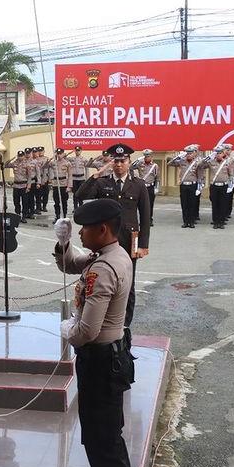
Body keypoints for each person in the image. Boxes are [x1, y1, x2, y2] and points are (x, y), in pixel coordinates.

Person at [52, 199, 136, 467]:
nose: (82, 233)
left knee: (104, 448)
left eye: (85, 228)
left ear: (102, 229)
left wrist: (67, 331)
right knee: (108, 442)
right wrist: (64, 242)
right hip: (111, 358)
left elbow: (87, 331)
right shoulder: (113, 254)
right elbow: (72, 263)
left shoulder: (103, 268)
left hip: (101, 362)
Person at [76, 143, 150, 334]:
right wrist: (97, 174)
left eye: (122, 161)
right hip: (106, 240)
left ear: (129, 162)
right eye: (115, 161)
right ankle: (101, 319)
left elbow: (145, 215)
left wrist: (143, 245)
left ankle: (125, 324)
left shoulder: (139, 185)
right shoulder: (102, 183)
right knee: (102, 280)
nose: (118, 165)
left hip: (128, 239)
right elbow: (81, 195)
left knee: (128, 282)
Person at [198, 147, 234, 229]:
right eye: (217, 153)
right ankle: (215, 221)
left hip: (224, 186)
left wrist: (231, 185)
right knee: (214, 204)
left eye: (220, 153)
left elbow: (231, 174)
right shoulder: (211, 162)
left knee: (223, 204)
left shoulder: (227, 162)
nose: (218, 155)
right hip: (214, 186)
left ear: (223, 154)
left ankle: (221, 222)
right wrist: (207, 158)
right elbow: (200, 166)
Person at [167, 145, 203, 228]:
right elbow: (170, 163)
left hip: (193, 185)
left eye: (190, 153)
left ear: (194, 154)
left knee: (192, 204)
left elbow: (200, 176)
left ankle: (191, 222)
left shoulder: (197, 163)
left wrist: (199, 187)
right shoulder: (182, 161)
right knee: (184, 204)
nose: (189, 155)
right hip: (183, 185)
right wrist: (179, 156)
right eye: (187, 153)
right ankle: (185, 222)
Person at [131, 149, 159, 226]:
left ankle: (149, 220)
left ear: (151, 157)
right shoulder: (140, 164)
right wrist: (137, 159)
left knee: (150, 204)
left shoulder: (155, 166)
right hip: (142, 187)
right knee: (141, 204)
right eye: (145, 156)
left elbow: (157, 178)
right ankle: (142, 220)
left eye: (148, 156)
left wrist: (157, 188)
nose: (146, 158)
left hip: (150, 187)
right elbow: (130, 167)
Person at [44, 148, 73, 221]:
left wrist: (69, 186)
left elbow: (70, 175)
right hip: (56, 184)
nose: (59, 155)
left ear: (63, 154)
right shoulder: (53, 163)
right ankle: (57, 216)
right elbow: (44, 166)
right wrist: (50, 159)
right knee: (56, 202)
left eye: (60, 153)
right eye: (58, 153)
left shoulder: (67, 163)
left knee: (64, 202)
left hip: (64, 184)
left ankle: (64, 216)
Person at [4, 151, 30, 222]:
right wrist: (11, 159)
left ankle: (24, 216)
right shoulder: (14, 163)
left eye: (21, 156)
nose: (20, 157)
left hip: (24, 185)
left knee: (25, 202)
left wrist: (29, 186)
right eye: (19, 156)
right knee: (16, 201)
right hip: (16, 185)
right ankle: (18, 215)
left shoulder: (27, 164)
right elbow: (5, 165)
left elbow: (29, 176)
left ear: (24, 156)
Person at [222, 143, 234, 221]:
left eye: (229, 150)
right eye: (226, 149)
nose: (227, 151)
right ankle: (222, 213)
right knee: (223, 198)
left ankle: (227, 213)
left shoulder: (233, 159)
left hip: (231, 180)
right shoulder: (220, 158)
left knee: (229, 197)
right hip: (223, 180)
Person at [34, 147, 51, 213]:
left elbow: (50, 170)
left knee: (45, 194)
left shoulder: (47, 159)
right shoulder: (35, 159)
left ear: (44, 151)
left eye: (41, 151)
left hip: (45, 178)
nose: (40, 152)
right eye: (39, 151)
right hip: (38, 178)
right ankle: (38, 207)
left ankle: (44, 206)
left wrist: (50, 179)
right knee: (38, 194)